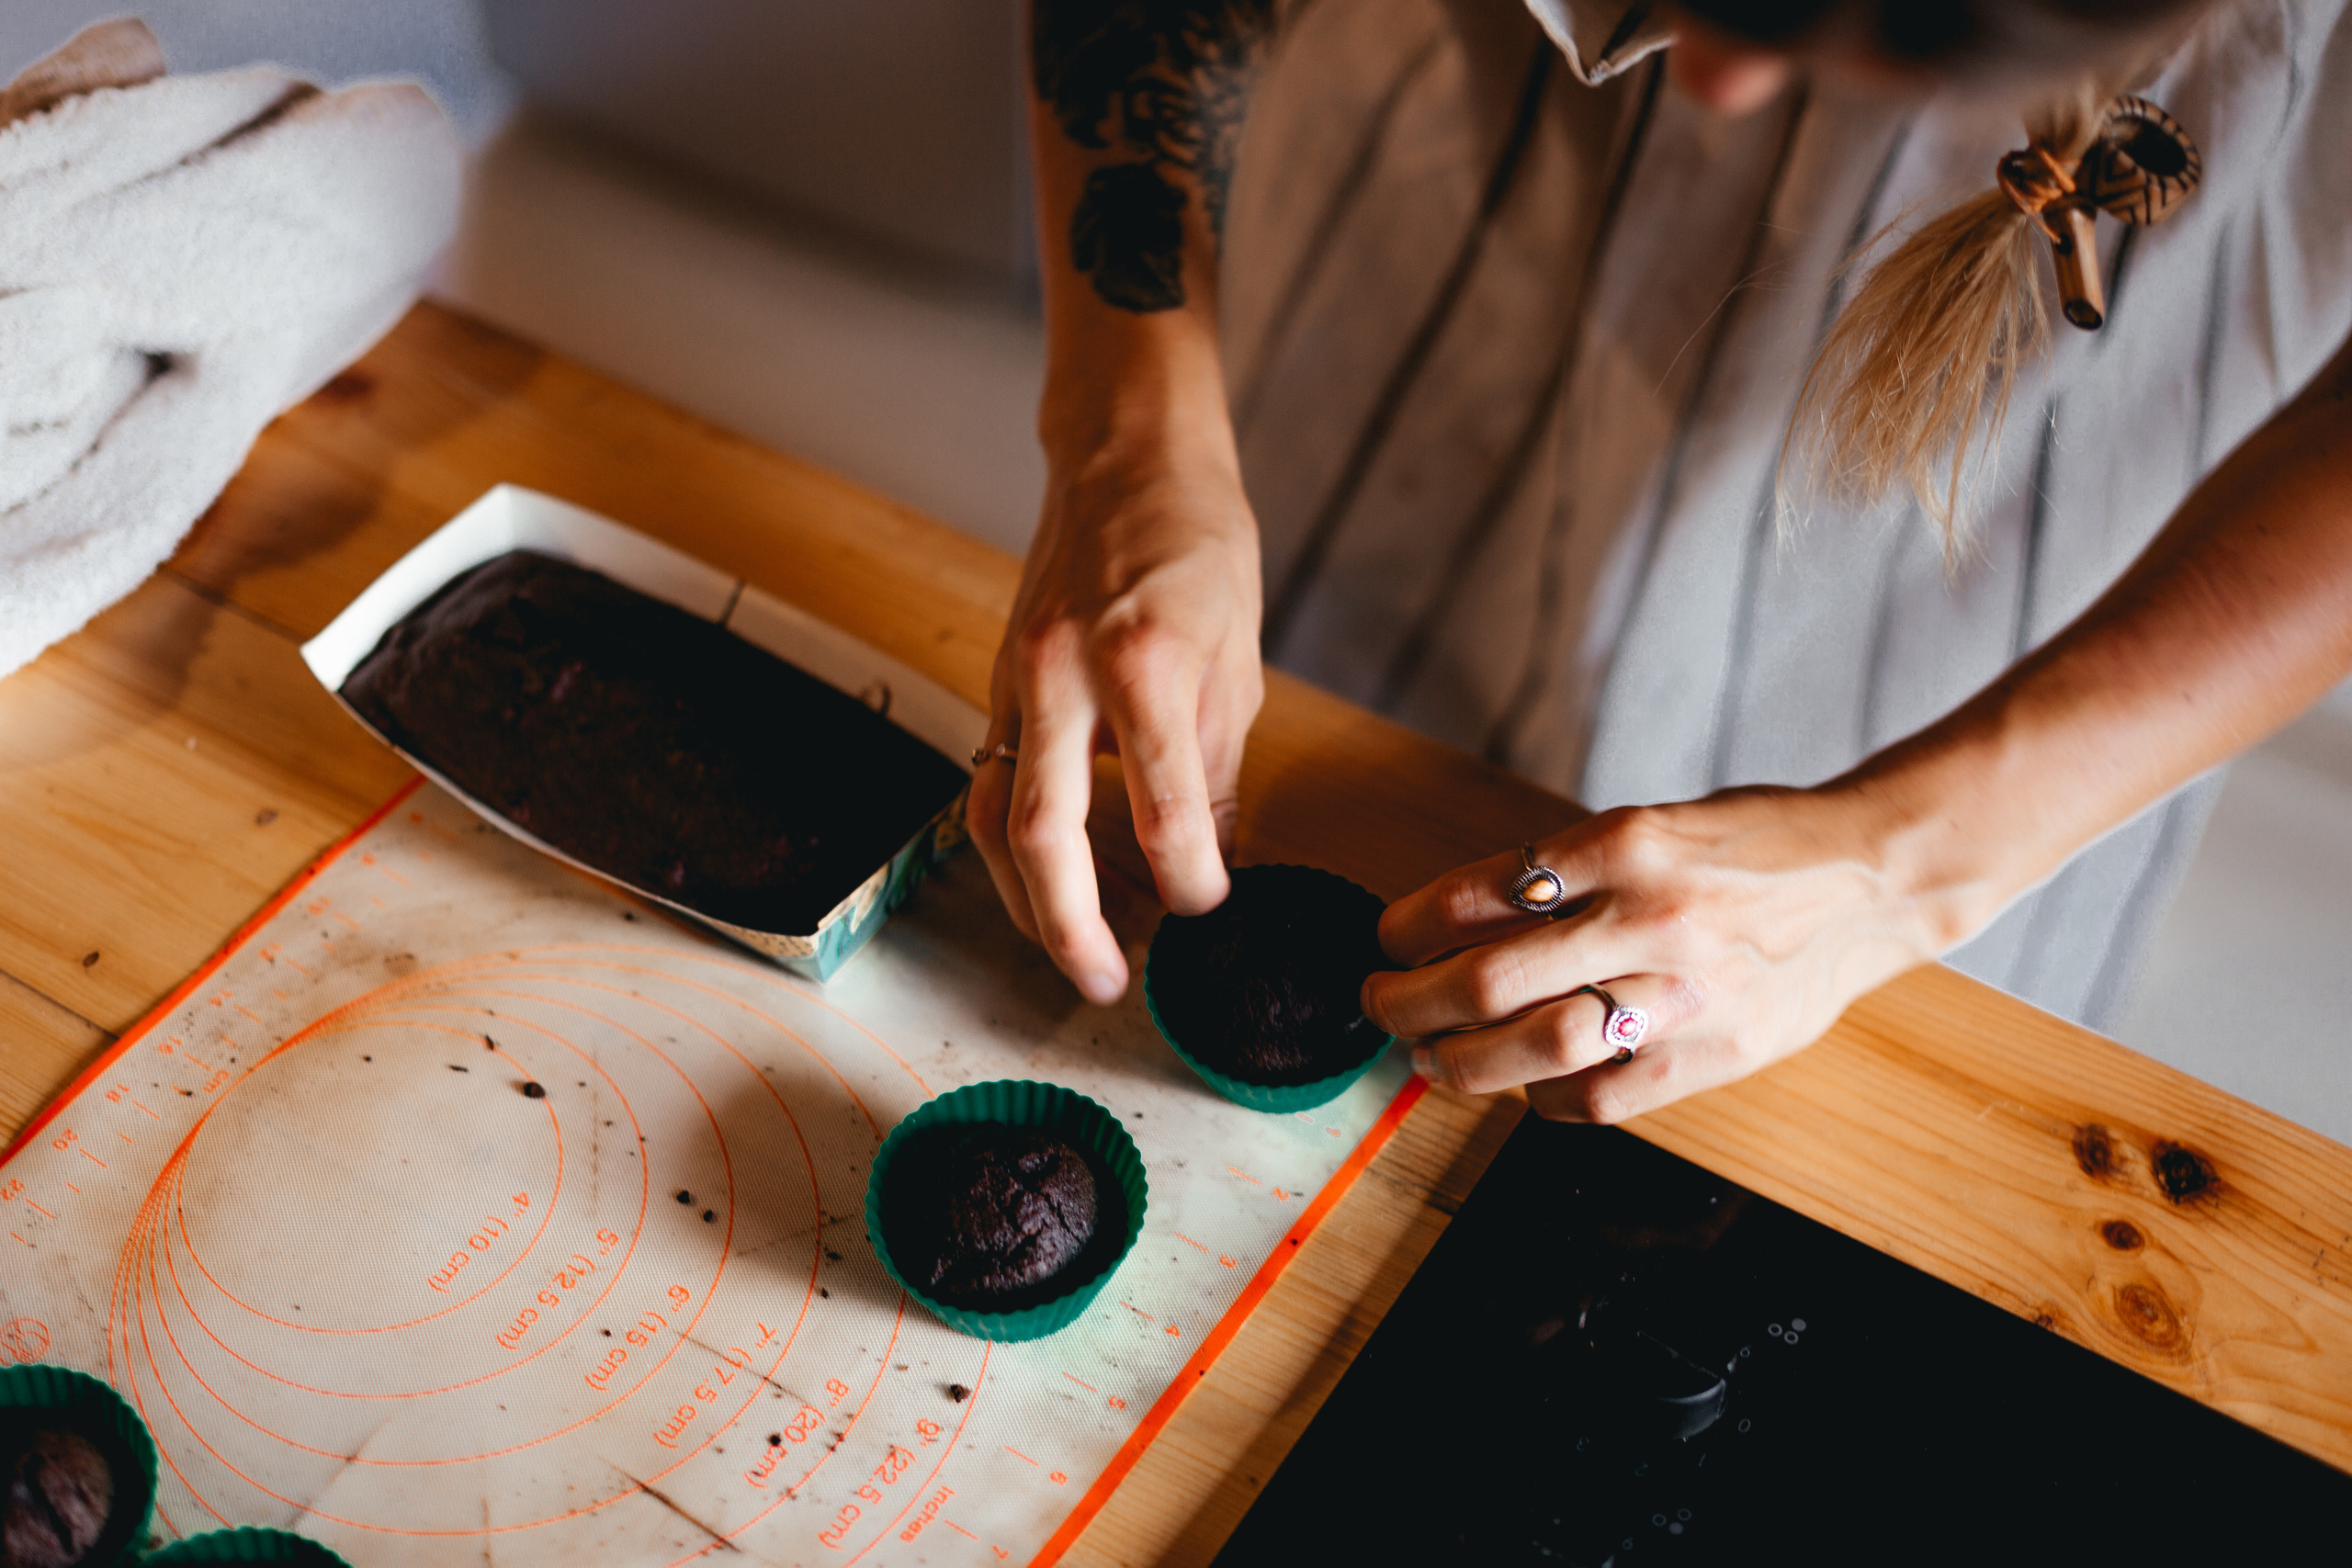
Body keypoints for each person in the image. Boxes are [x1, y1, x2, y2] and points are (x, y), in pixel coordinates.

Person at [969, 0, 2352, 1122]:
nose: (1718, 77)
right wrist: (1128, 429)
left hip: (1996, 724)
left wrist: (1898, 872)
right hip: (1372, 442)